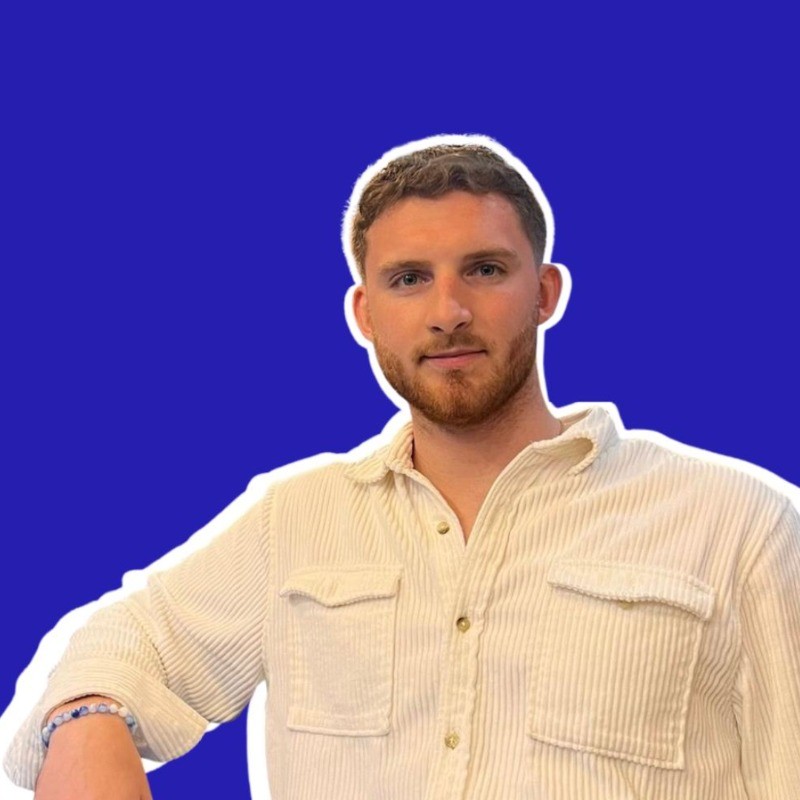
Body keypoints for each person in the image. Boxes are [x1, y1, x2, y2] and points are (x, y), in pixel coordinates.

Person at [3, 134, 799, 799]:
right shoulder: (295, 521)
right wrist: (86, 721)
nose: (448, 311)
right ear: (364, 313)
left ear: (546, 292)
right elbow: (119, 647)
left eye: (484, 269)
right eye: (410, 279)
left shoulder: (738, 524)